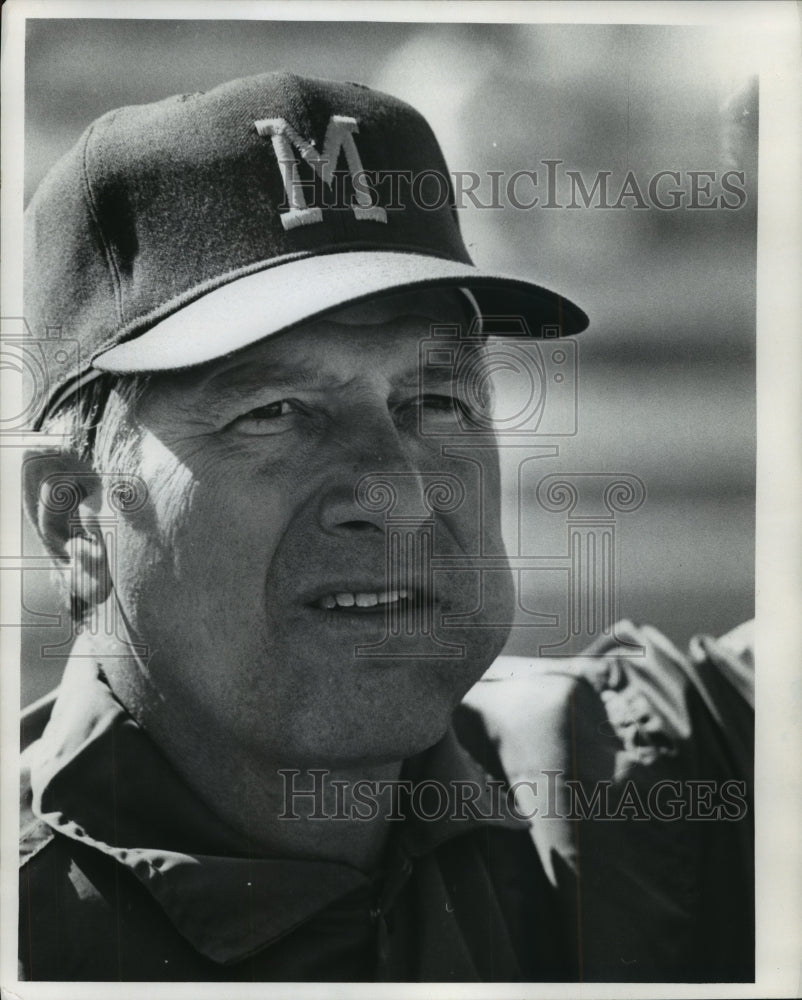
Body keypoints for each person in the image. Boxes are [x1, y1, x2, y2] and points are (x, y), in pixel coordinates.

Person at [18, 71, 754, 982]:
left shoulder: (635, 785)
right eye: (275, 412)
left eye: (436, 401)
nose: (398, 494)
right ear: (75, 518)